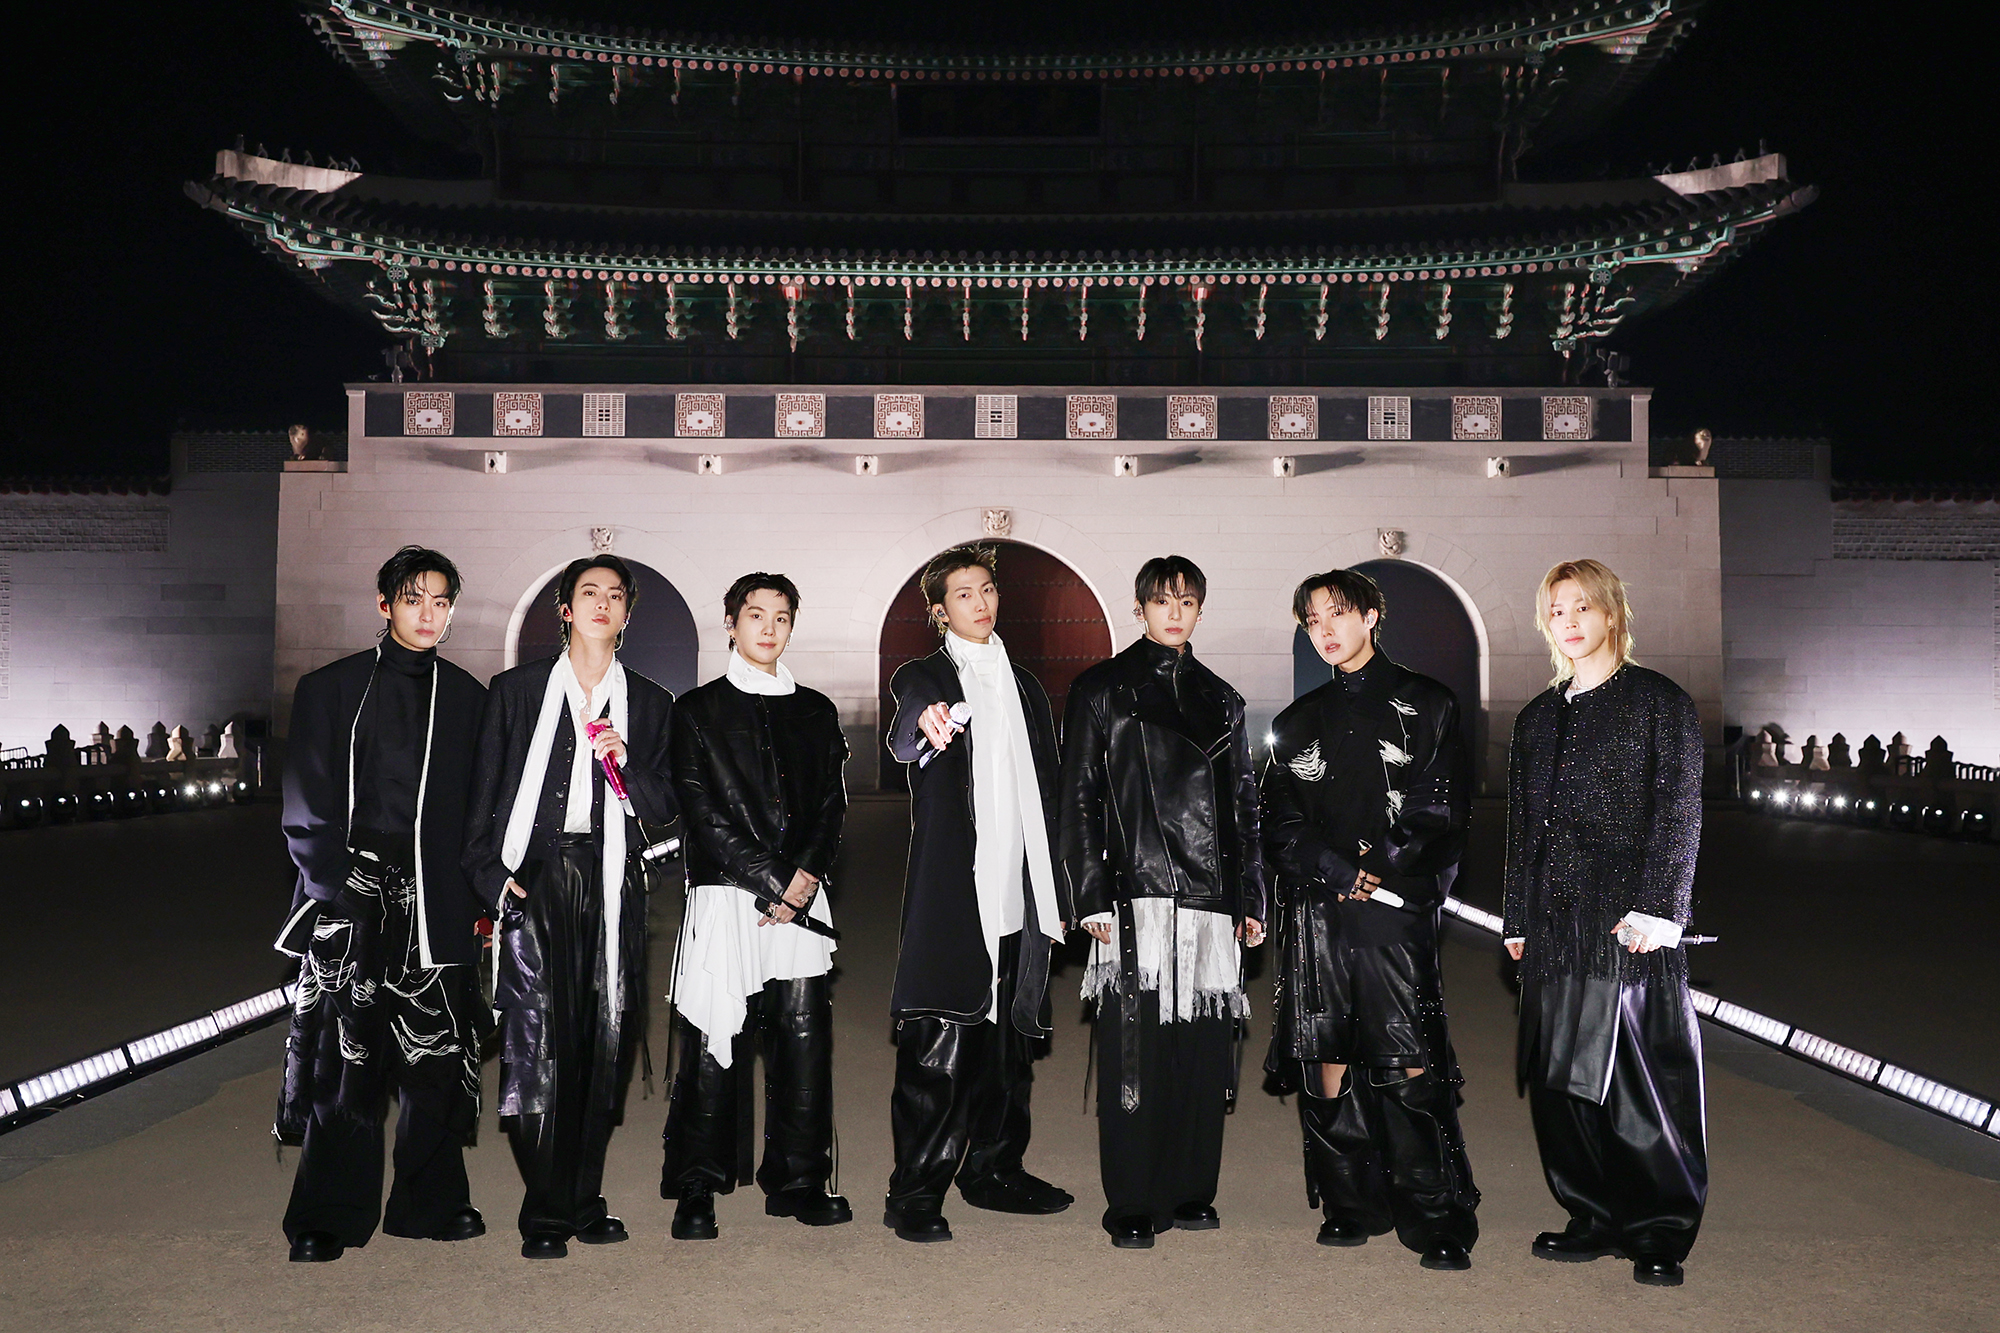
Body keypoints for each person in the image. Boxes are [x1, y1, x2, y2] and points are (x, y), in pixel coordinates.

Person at [1261, 567, 1480, 1271]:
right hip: (1320, 908)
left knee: (1406, 1049)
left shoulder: (1430, 703)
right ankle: (1350, 1203)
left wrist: (1380, 866)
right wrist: (1333, 870)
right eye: (1312, 620)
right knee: (1327, 1052)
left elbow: (1442, 807)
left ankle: (1434, 1213)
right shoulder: (1297, 721)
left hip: (1394, 907)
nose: (1325, 630)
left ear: (1372, 615)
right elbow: (1278, 821)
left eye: (1338, 614)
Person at [276, 546, 489, 1262]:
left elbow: (480, 808)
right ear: (384, 603)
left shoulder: (468, 697)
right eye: (413, 599)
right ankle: (328, 1214)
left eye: (440, 602)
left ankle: (432, 1203)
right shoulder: (331, 688)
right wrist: (334, 886)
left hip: (437, 894)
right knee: (348, 1056)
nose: (428, 614)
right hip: (352, 892)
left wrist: (478, 894)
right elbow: (305, 799)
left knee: (437, 1054)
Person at [463, 555, 677, 1259]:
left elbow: (665, 809)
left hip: (612, 881)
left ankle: (585, 1200)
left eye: (615, 595)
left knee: (601, 1043)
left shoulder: (650, 702)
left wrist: (629, 762)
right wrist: (492, 878)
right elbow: (483, 795)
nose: (602, 603)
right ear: (565, 609)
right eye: (589, 592)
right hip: (537, 877)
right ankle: (546, 1210)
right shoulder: (518, 691)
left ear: (627, 613)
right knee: (535, 1043)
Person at [1503, 559, 1707, 1288]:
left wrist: (1660, 908)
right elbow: (1523, 827)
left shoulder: (1659, 702)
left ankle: (1657, 1230)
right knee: (1560, 1083)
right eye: (1557, 610)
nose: (1569, 621)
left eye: (1583, 606)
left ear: (1613, 612)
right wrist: (1517, 917)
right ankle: (1590, 1215)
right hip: (1554, 926)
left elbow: (1679, 812)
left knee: (1636, 1084)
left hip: (1629, 923)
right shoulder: (1536, 718)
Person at [1060, 556, 1265, 1250]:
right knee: (1136, 1050)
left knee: (1201, 1049)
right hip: (1135, 893)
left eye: (1187, 601)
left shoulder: (1223, 698)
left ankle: (1190, 1187)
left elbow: (1243, 805)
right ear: (1140, 607)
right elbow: (1077, 797)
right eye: (1161, 600)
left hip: (1210, 899)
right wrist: (1090, 894)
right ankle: (1132, 1198)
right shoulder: (1101, 689)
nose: (1174, 613)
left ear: (1200, 609)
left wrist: (1251, 896)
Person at [880, 544, 1073, 1242]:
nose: (980, 602)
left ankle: (994, 1170)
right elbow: (908, 729)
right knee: (938, 1044)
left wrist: (1064, 884)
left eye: (987, 588)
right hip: (955, 891)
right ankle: (914, 1191)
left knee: (1008, 1046)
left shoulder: (1024, 686)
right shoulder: (924, 675)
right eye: (963, 593)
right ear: (940, 610)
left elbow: (1048, 785)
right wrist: (924, 723)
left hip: (1021, 885)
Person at [660, 573, 852, 1239]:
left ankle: (799, 1180)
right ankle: (698, 1184)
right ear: (731, 623)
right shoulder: (696, 709)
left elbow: (831, 805)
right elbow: (700, 810)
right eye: (755, 614)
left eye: (781, 617)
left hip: (801, 896)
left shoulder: (816, 710)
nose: (769, 628)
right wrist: (773, 879)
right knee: (713, 1039)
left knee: (803, 1040)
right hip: (726, 892)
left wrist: (804, 879)